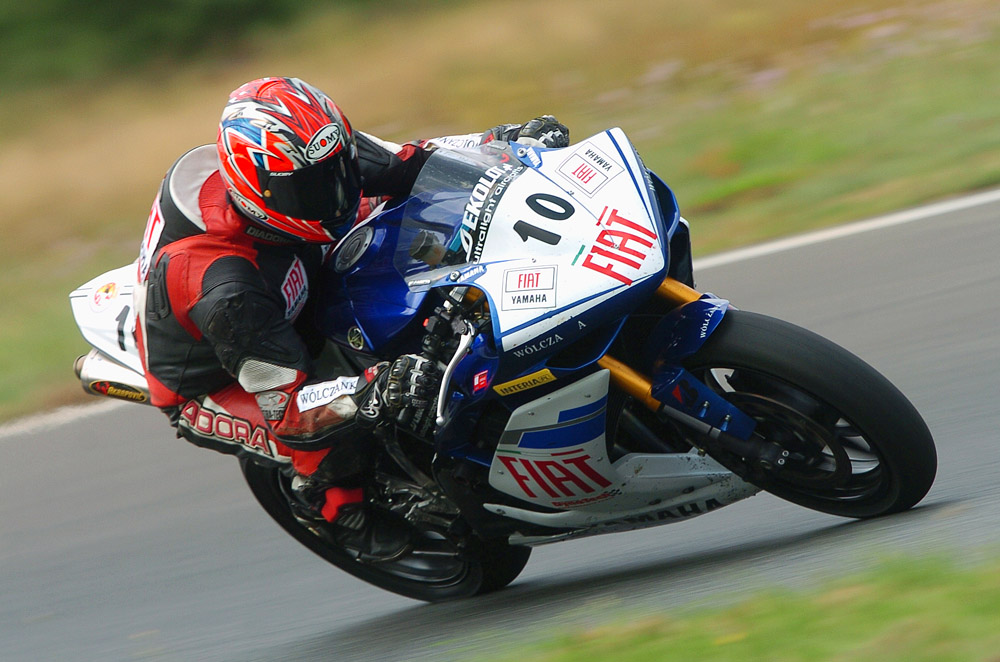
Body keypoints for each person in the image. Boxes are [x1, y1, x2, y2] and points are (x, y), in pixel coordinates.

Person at [134, 76, 569, 560]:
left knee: (429, 228)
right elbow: (290, 410)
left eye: (338, 169)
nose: (335, 192)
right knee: (331, 435)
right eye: (312, 188)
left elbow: (416, 160)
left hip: (295, 272)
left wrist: (503, 142)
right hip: (219, 378)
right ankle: (332, 507)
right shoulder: (227, 290)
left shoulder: (310, 159)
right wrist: (374, 390)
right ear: (258, 193)